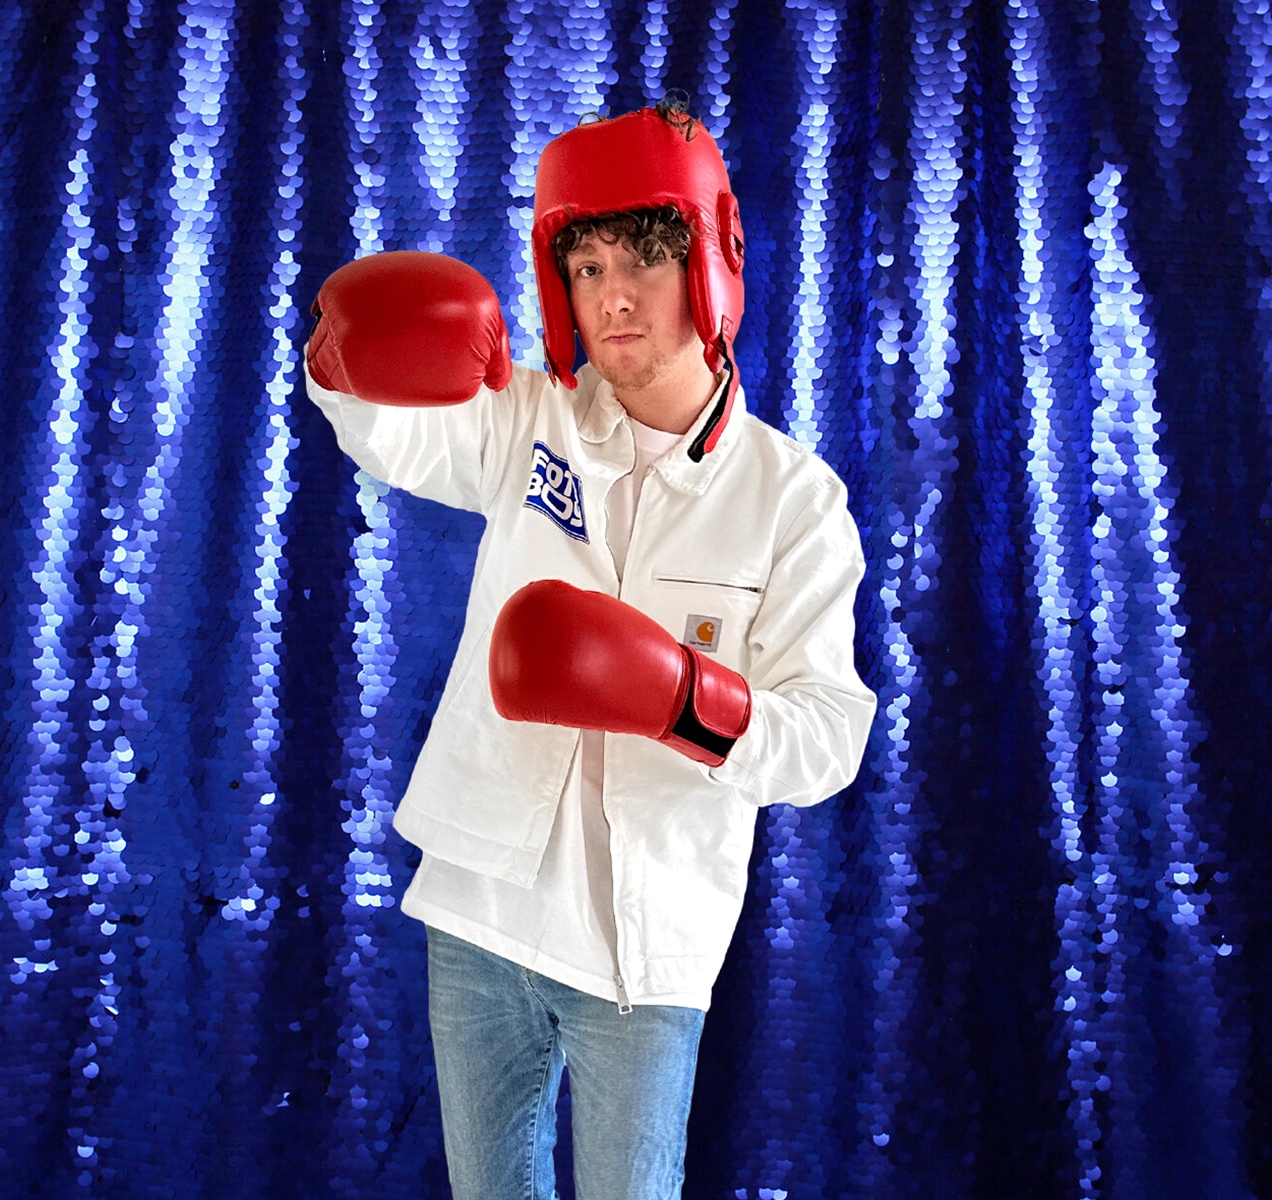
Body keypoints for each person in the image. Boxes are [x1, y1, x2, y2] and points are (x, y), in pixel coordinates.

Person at [303, 98, 876, 1200]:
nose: (613, 296)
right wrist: (340, 365)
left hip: (643, 947)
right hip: (481, 907)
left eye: (645, 262)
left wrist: (681, 697)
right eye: (588, 266)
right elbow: (394, 433)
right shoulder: (530, 421)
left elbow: (829, 736)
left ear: (708, 264)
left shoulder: (792, 498)